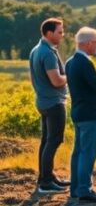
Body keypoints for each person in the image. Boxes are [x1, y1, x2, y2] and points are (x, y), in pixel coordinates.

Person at [66, 27, 96, 202]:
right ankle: (85, 190)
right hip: (90, 114)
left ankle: (76, 189)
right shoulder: (85, 63)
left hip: (78, 112)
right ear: (86, 43)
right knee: (88, 153)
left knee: (78, 152)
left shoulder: (71, 62)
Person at [28, 17, 70, 195]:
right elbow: (56, 80)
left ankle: (46, 177)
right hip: (53, 103)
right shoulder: (47, 53)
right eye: (60, 32)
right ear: (49, 33)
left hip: (43, 101)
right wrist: (71, 75)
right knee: (54, 140)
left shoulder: (36, 50)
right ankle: (46, 182)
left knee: (46, 140)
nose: (63, 35)